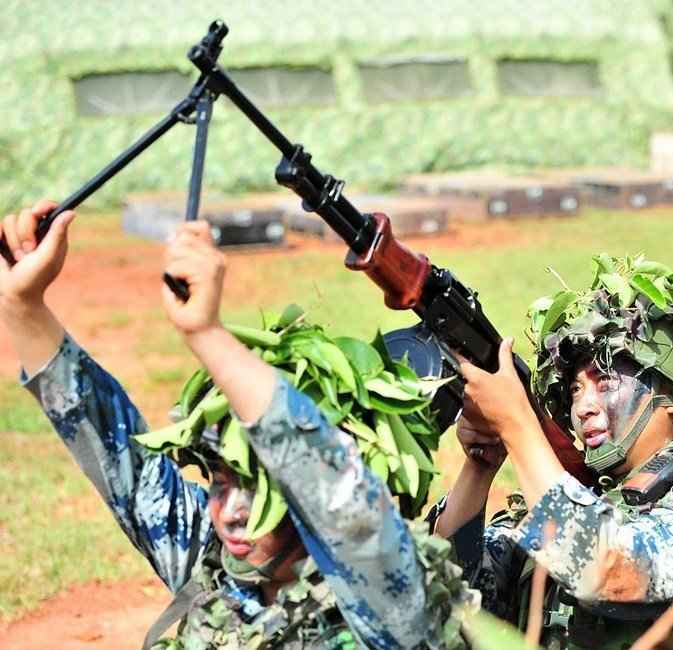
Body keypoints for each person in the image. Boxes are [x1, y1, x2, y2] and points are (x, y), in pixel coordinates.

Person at [0, 200, 475, 649]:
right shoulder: (218, 565)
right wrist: (24, 308)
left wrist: (207, 334)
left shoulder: (387, 595)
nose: (229, 513)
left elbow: (339, 496)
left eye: (256, 487)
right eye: (221, 484)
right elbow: (120, 455)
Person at [430, 255, 673, 649]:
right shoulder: (578, 502)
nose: (584, 405)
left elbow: (610, 571)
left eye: (604, 383)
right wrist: (481, 464)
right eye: (575, 389)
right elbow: (451, 592)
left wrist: (518, 426)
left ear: (671, 395)